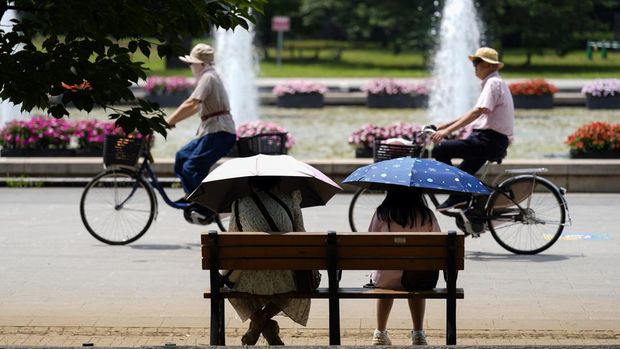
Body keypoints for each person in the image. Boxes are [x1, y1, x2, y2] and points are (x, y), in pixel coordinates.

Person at [226, 176, 310, 346]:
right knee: (302, 284)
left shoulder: (238, 204)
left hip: (249, 280)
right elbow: (302, 237)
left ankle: (257, 319)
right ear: (278, 183)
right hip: (287, 280)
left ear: (250, 184)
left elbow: (232, 243)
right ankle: (265, 320)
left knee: (226, 282)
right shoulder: (291, 201)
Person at [430, 47, 514, 211]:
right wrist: (444, 126)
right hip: (489, 140)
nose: (474, 66)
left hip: (488, 140)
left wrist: (446, 133)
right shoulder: (493, 83)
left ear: (490, 66)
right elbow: (475, 111)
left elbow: (477, 112)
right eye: (474, 62)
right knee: (462, 174)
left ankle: (461, 195)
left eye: (478, 62)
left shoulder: (493, 83)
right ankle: (465, 200)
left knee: (440, 149)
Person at [165, 43, 237, 224]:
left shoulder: (208, 77)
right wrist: (174, 121)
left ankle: (207, 207)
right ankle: (193, 196)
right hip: (212, 130)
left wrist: (169, 121)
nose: (191, 67)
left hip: (219, 131)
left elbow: (191, 104)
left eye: (192, 63)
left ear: (201, 64)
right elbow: (194, 107)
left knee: (191, 167)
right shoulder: (209, 76)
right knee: (182, 157)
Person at [369, 186, 440, 346]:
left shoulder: (381, 214)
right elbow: (438, 245)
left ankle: (380, 332)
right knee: (416, 283)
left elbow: (371, 242)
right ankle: (418, 333)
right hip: (417, 278)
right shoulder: (426, 215)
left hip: (385, 278)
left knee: (385, 284)